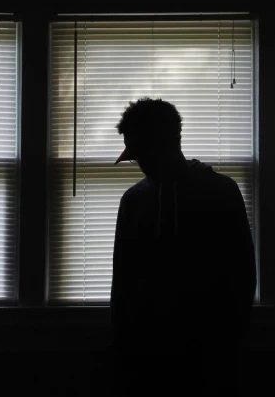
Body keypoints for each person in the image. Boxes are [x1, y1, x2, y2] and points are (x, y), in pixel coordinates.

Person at [110, 98, 256, 396]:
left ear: (164, 142)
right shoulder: (134, 200)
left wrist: (230, 338)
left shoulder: (220, 192)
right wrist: (124, 340)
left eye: (141, 152)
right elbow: (122, 279)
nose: (139, 162)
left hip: (211, 348)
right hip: (148, 350)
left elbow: (242, 273)